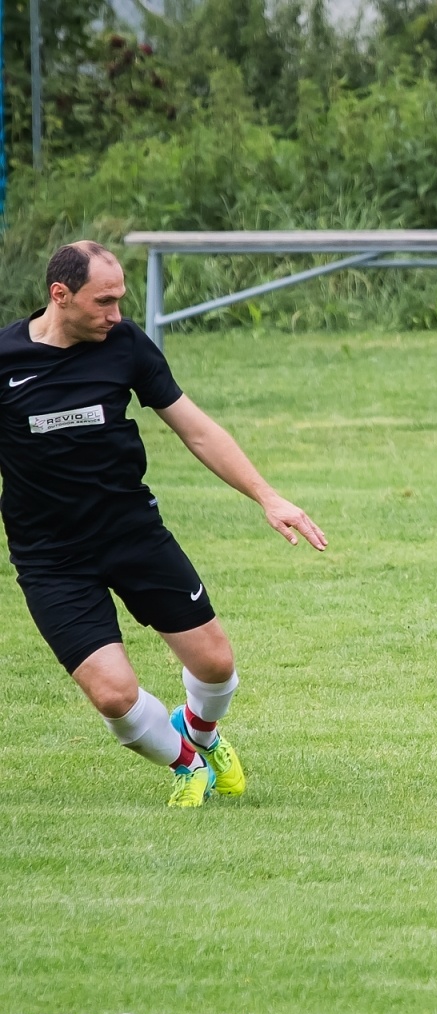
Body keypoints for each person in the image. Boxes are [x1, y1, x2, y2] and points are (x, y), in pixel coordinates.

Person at [0, 242, 326, 807]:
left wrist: (267, 497)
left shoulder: (124, 346)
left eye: (120, 299)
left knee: (217, 667)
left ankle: (200, 732)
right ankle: (187, 763)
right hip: (52, 558)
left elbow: (195, 428)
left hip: (132, 534)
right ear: (60, 295)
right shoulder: (4, 360)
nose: (116, 315)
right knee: (112, 696)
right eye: (104, 302)